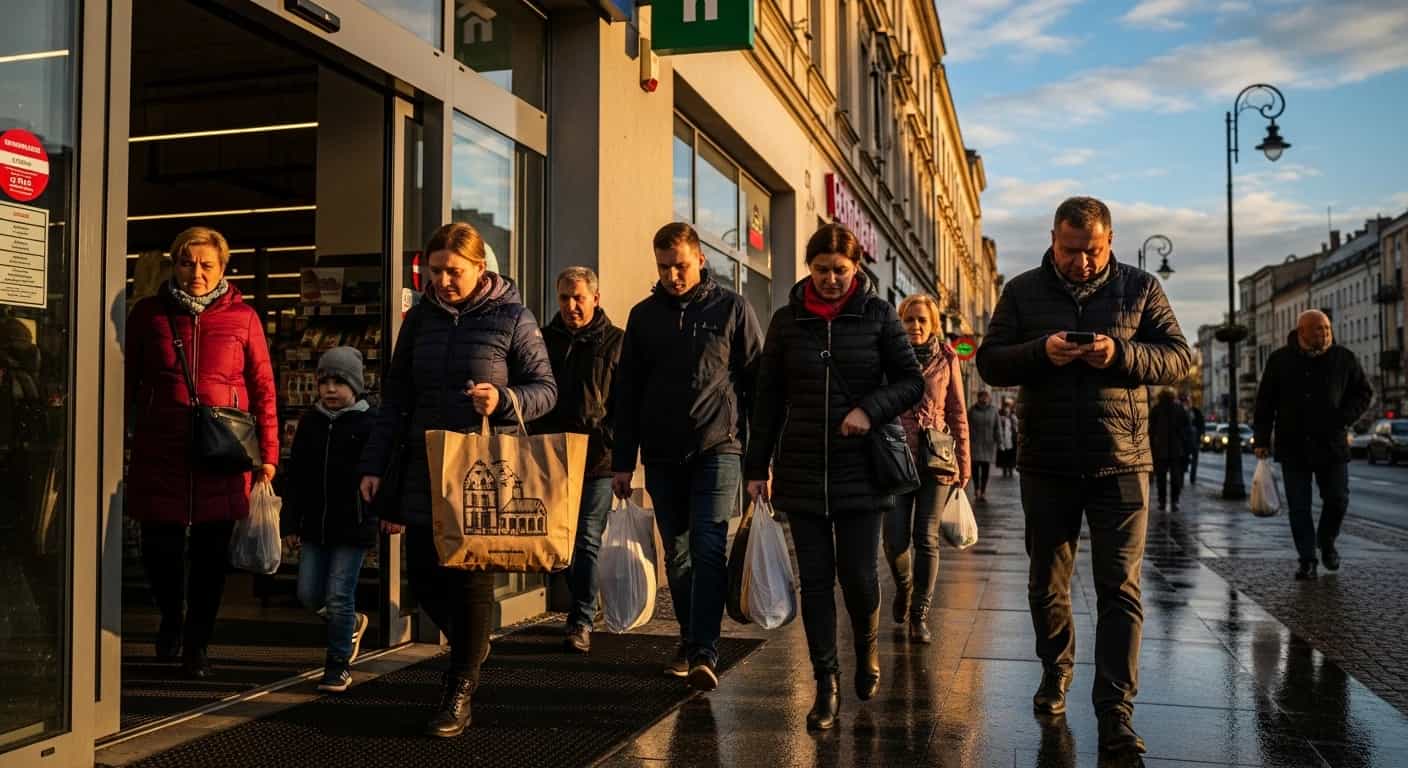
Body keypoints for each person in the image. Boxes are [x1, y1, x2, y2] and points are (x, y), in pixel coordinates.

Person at [976, 197, 1192, 757]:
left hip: (1121, 459)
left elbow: (1177, 358)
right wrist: (1041, 353)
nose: (1083, 262)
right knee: (1047, 581)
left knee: (1120, 587)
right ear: (1053, 239)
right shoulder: (1022, 290)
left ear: (1111, 240)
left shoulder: (1140, 287)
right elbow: (991, 360)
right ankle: (1056, 670)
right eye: (1071, 251)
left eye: (1093, 251)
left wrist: (1119, 354)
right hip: (1046, 460)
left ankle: (1116, 708)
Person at [358, 222, 556, 737]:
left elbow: (546, 389)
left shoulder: (513, 316)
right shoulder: (420, 320)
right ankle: (474, 646)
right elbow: (395, 398)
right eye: (437, 270)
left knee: (470, 581)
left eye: (455, 271)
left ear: (480, 268)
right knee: (424, 576)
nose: (445, 280)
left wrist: (504, 399)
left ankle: (459, 685)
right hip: (425, 464)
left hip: (485, 469)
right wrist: (374, 465)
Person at [746, 223, 924, 731]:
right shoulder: (786, 321)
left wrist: (870, 409)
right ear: (809, 267)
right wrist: (757, 468)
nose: (829, 279)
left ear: (856, 269)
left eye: (839, 270)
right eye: (821, 269)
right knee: (817, 582)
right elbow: (767, 398)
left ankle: (866, 649)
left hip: (861, 469)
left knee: (861, 578)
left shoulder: (879, 315)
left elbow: (911, 382)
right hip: (801, 468)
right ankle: (826, 683)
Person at [612, 222, 762, 693]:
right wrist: (623, 460)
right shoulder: (643, 316)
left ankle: (705, 649)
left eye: (680, 264)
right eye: (663, 266)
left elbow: (757, 386)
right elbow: (627, 392)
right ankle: (688, 635)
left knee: (708, 545)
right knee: (675, 554)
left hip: (719, 447)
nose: (673, 274)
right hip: (660, 453)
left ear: (699, 258)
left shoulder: (732, 308)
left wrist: (760, 463)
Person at [125, 226, 280, 679]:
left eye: (206, 264)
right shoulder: (149, 315)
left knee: (211, 558)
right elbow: (125, 382)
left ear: (223, 268)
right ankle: (171, 619)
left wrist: (268, 453)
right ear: (174, 264)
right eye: (187, 263)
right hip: (161, 446)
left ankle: (198, 643)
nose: (196, 272)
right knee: (160, 550)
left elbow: (263, 387)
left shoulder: (243, 318)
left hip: (223, 452)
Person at [533, 267, 624, 654]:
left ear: (595, 298)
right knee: (558, 541)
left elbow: (626, 401)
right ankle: (584, 601)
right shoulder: (542, 339)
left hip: (597, 460)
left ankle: (581, 619)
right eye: (565, 298)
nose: (571, 306)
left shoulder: (616, 342)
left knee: (586, 538)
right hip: (551, 456)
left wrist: (616, 444)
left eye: (579, 298)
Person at [281, 347, 377, 693]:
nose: (330, 390)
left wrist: (381, 515)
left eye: (339, 382)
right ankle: (350, 622)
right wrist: (289, 523)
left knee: (338, 594)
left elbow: (381, 475)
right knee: (308, 593)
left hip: (352, 527)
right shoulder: (311, 423)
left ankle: (337, 665)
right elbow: (295, 477)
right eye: (324, 383)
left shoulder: (369, 424)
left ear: (356, 386)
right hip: (313, 527)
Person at [1252, 309, 1372, 581]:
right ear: (1302, 331)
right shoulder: (1280, 360)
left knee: (1338, 498)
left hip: (1331, 444)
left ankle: (1327, 541)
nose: (1325, 333)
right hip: (1293, 445)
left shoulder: (1343, 358)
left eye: (1327, 328)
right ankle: (1307, 559)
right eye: (1318, 329)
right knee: (1299, 507)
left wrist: (1343, 418)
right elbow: (1265, 403)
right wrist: (1261, 439)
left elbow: (1364, 392)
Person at [885, 294, 969, 646]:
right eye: (909, 320)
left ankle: (920, 614)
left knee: (927, 538)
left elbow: (957, 411)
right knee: (894, 539)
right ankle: (905, 587)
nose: (916, 326)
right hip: (895, 457)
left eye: (922, 320)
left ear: (933, 324)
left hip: (936, 459)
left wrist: (964, 462)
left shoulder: (947, 359)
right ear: (900, 322)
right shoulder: (887, 356)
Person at [1148, 388, 1190, 511]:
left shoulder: (1156, 409)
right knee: (1175, 478)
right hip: (1176, 449)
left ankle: (1162, 501)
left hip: (1160, 449)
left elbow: (1151, 430)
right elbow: (1186, 428)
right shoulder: (1179, 409)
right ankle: (1174, 501)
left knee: (1161, 478)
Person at [967, 390, 1000, 501]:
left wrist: (999, 441)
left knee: (986, 469)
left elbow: (997, 427)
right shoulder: (972, 410)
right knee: (975, 469)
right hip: (975, 443)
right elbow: (966, 426)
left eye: (986, 397)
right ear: (978, 398)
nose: (984, 399)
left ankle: (983, 490)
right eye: (982, 397)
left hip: (988, 444)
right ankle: (977, 489)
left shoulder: (993, 411)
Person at [1181, 393, 1204, 484]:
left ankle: (1192, 478)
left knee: (1194, 460)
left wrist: (1200, 435)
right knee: (1183, 460)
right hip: (1185, 441)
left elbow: (1201, 425)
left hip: (1195, 440)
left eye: (1189, 401)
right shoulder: (1182, 412)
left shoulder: (1197, 412)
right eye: (1186, 401)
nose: (1187, 403)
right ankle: (1182, 478)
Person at [997, 398, 1019, 478]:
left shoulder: (1013, 416)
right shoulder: (1000, 416)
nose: (1007, 409)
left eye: (1009, 407)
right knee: (1003, 455)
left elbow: (1016, 427)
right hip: (1003, 439)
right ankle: (1004, 470)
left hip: (1011, 439)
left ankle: (1010, 470)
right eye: (1006, 406)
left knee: (1011, 455)